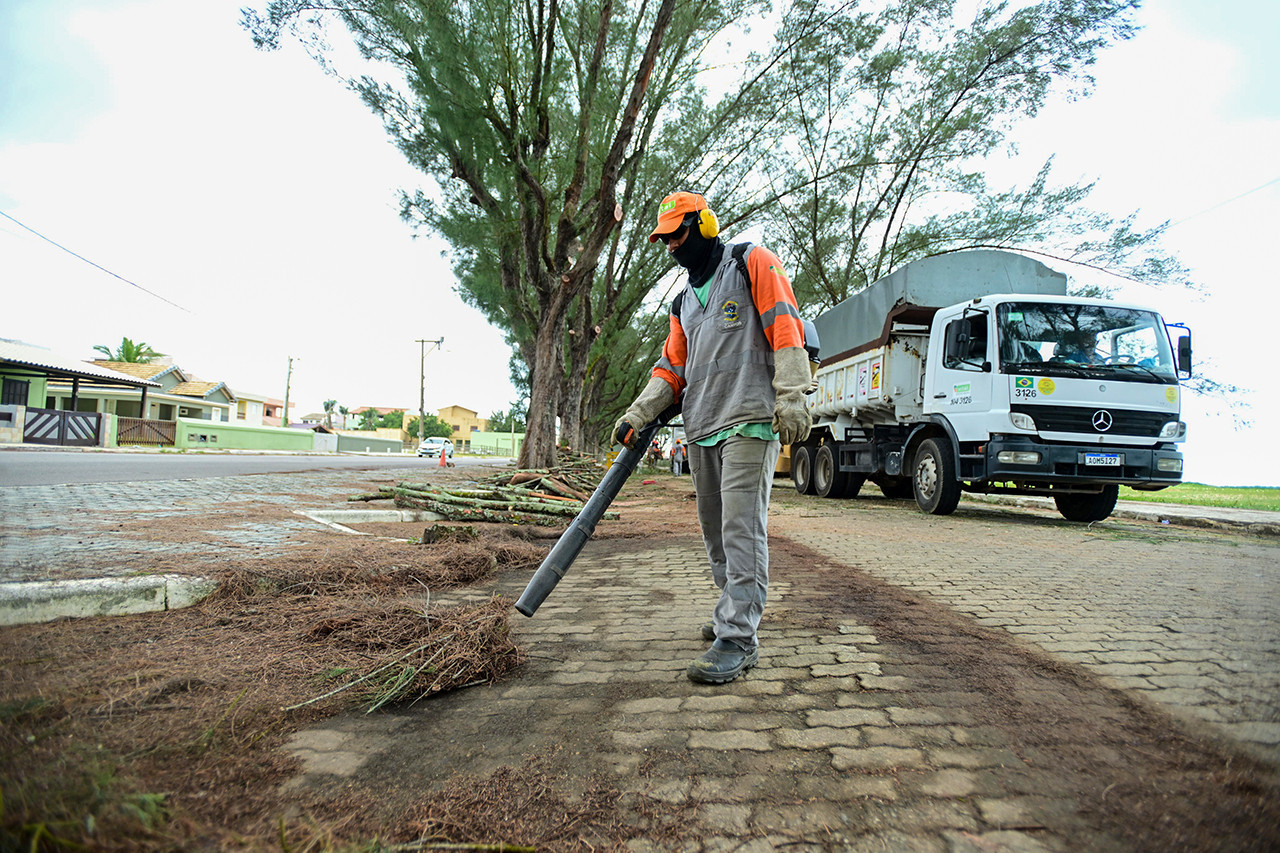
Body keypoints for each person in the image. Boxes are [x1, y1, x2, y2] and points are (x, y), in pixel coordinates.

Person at [614, 191, 812, 685]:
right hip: (702, 427)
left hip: (749, 419)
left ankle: (739, 637)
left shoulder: (750, 262)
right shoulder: (684, 302)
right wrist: (638, 414)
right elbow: (671, 370)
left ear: (704, 225)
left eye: (678, 234)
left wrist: (791, 396)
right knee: (715, 533)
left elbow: (786, 327)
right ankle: (732, 609)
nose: (671, 246)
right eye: (664, 239)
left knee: (742, 529)